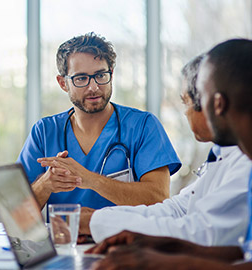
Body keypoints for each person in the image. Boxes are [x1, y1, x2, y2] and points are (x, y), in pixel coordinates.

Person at [88, 39, 252, 269]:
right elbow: (245, 252)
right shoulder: (231, 156)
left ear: (217, 104)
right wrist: (162, 245)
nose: (192, 111)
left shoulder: (245, 166)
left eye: (196, 99)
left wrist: (170, 261)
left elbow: (206, 232)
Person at [17, 32, 181, 215]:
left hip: (125, 242)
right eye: (81, 78)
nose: (93, 87)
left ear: (111, 74)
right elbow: (17, 214)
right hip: (65, 242)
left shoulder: (143, 126)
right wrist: (44, 185)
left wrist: (89, 179)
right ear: (63, 83)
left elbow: (158, 198)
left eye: (100, 75)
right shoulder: (45, 132)